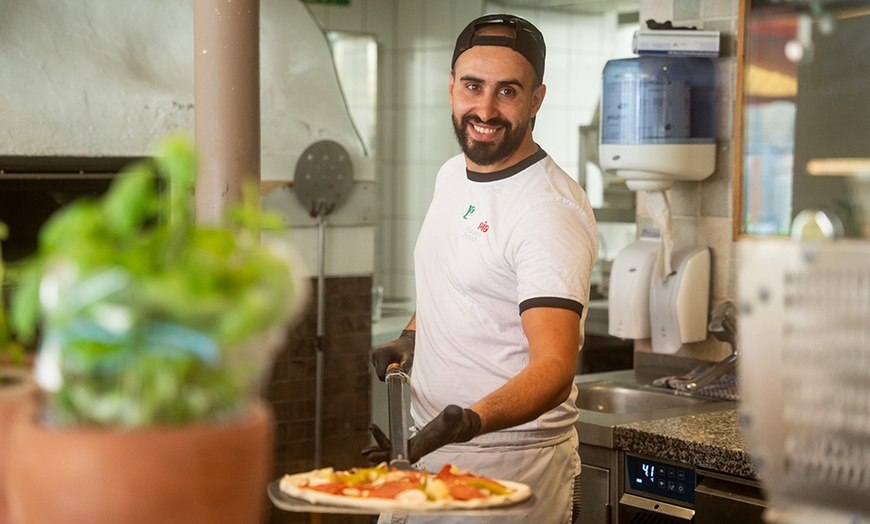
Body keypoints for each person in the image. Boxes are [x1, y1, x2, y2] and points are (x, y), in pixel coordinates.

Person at [364, 13, 599, 524]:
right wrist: (412, 336)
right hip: (429, 446)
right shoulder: (454, 174)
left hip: (509, 462)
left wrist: (468, 421)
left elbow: (554, 369)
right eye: (473, 86)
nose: (485, 109)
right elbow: (458, 280)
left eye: (507, 91)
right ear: (452, 89)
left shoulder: (548, 212)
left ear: (536, 99)